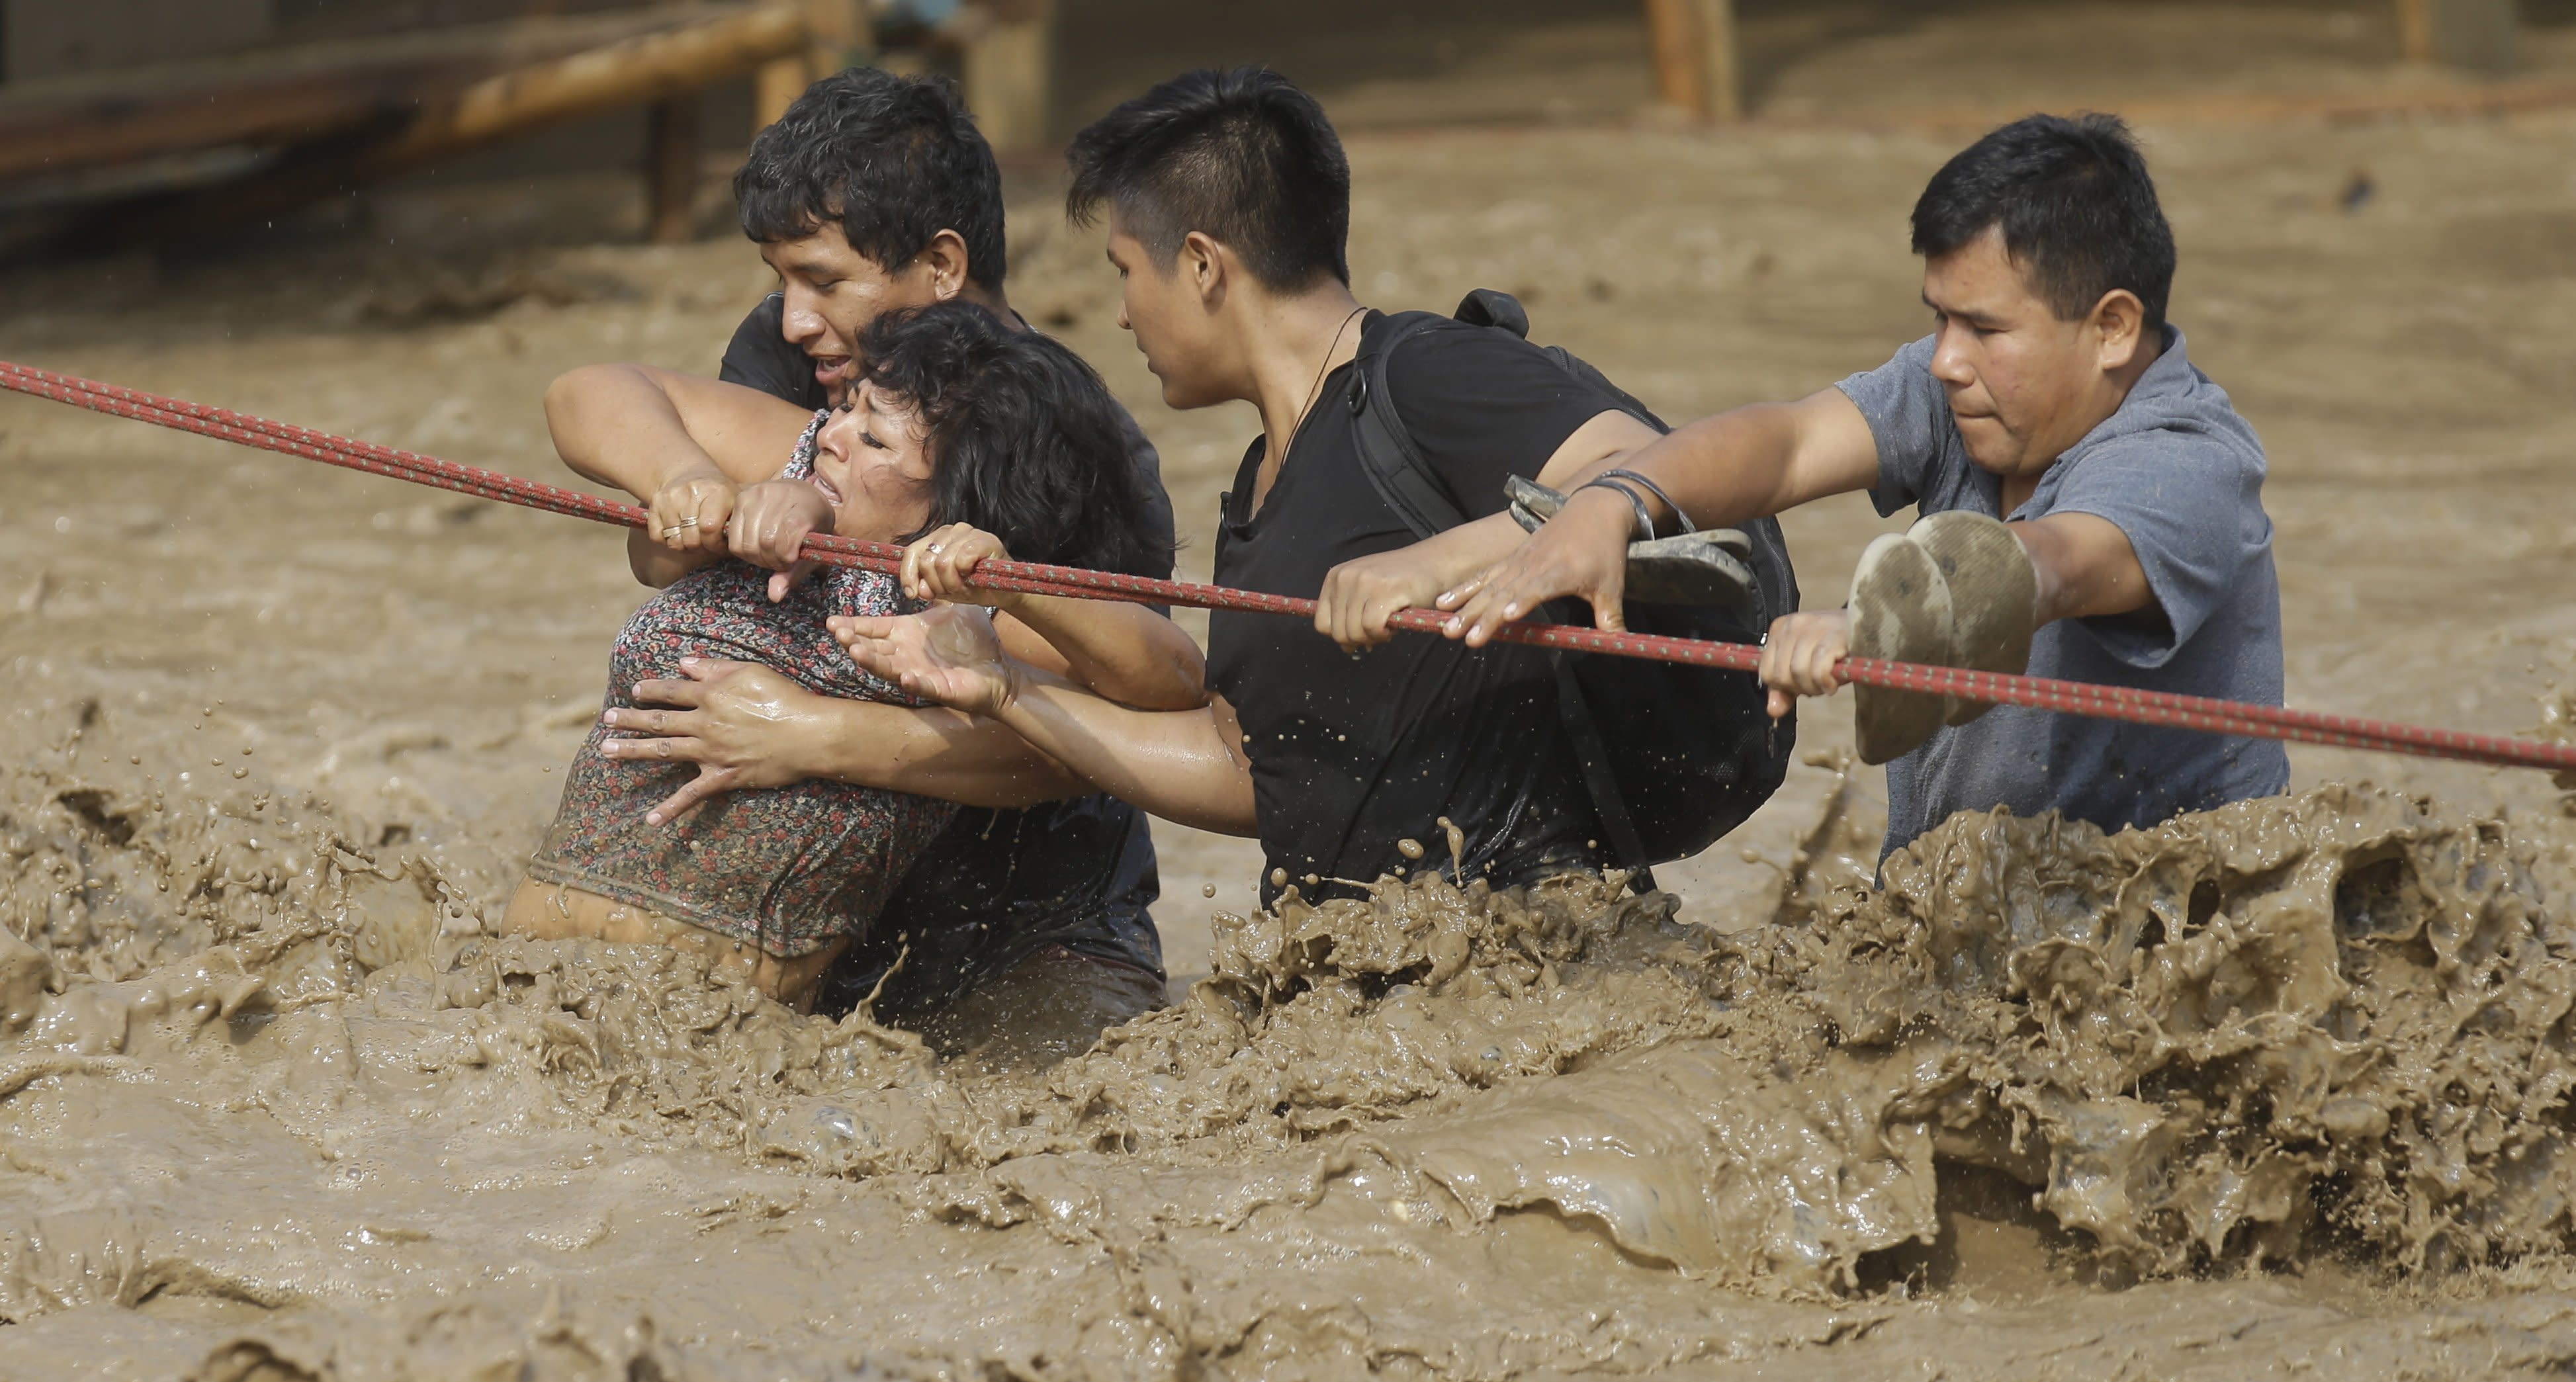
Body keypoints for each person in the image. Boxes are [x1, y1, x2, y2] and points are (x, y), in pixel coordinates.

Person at [842, 67, 1672, 901]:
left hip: (1540, 959)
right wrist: (1004, 689)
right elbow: (1247, 774)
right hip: (1373, 978)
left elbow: (1641, 468)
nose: (1123, 314)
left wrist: (1436, 563)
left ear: (1201, 265)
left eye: (1125, 269)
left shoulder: (1428, 370)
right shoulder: (1265, 479)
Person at [1443, 112, 2288, 859]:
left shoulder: (2186, 462)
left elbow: (2047, 564)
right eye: (1938, 317)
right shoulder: (1962, 390)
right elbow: (1786, 441)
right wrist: (1612, 502)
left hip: (2154, 944)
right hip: (1967, 912)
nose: (1947, 360)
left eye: (1984, 328)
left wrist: (1868, 622)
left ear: (2111, 328)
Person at [596, 67, 1190, 1051]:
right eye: (779, 280)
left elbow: (1111, 740)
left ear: (943, 265)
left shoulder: (1081, 448)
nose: (791, 318)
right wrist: (697, 488)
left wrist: (812, 733)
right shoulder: (811, 356)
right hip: (829, 913)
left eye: (823, 281)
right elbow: (640, 501)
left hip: (1033, 926)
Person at [503, 302, 1184, 1013]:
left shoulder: (960, 606)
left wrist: (811, 732)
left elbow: (1164, 688)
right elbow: (581, 392)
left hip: (712, 1043)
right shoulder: (795, 460)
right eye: (846, 407)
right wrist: (688, 478)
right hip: (514, 992)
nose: (832, 436)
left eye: (876, 440)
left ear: (957, 500)